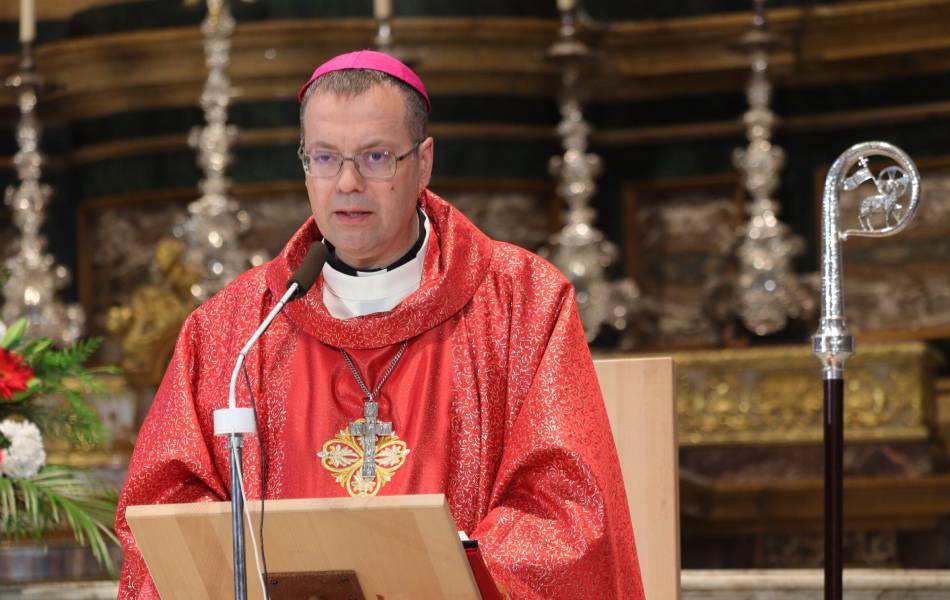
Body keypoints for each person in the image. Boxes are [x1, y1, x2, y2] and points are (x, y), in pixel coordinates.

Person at [116, 50, 644, 599]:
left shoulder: (522, 304)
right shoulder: (234, 329)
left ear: (424, 162)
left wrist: (437, 571)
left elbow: (566, 512)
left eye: (375, 157)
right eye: (325, 157)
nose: (347, 182)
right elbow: (162, 519)